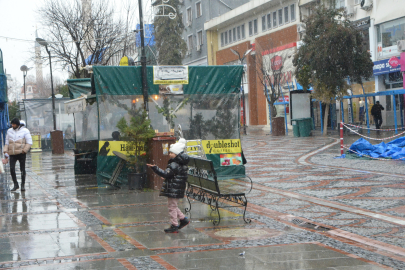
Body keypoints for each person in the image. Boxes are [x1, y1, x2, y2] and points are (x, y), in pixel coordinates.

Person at [147, 138, 190, 233]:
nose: (170, 154)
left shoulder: (174, 164)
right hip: (177, 187)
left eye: (172, 153)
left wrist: (155, 168)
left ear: (177, 154)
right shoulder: (181, 163)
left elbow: (167, 174)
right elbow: (174, 175)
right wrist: (168, 177)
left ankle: (174, 225)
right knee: (173, 205)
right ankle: (183, 219)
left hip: (174, 188)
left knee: (172, 207)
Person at [4, 118, 33, 191]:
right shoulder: (9, 131)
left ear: (17, 125)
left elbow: (29, 142)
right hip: (12, 154)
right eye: (12, 124)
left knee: (22, 169)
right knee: (12, 169)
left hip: (21, 154)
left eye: (14, 124)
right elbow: (7, 142)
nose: (12, 125)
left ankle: (22, 185)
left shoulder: (25, 131)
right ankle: (15, 184)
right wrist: (5, 151)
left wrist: (24, 150)